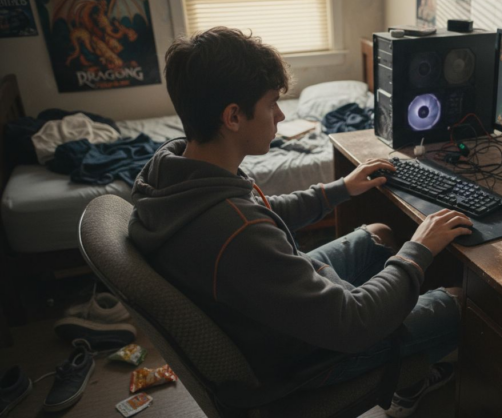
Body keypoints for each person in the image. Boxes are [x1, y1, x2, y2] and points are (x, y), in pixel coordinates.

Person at [128, 27, 472, 417]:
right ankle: (414, 381)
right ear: (234, 116)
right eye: (273, 102)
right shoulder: (236, 232)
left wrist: (341, 188)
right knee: (461, 303)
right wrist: (419, 250)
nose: (281, 115)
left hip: (263, 313)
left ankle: (408, 369)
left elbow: (260, 212)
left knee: (378, 236)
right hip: (297, 360)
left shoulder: (174, 170)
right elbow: (352, 321)